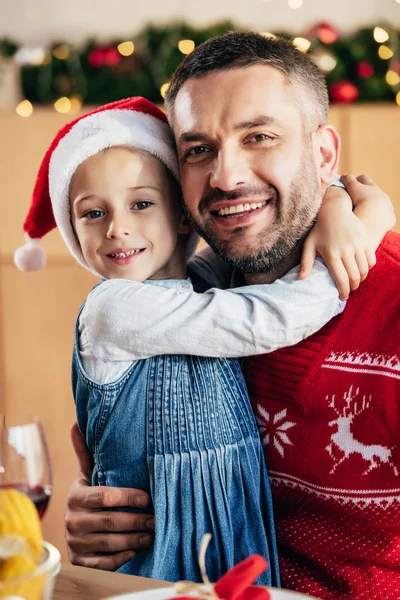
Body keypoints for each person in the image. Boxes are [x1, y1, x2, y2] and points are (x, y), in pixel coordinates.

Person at [65, 33, 397, 598]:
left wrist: (353, 207)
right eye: (198, 150)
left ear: (323, 155)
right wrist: (100, 512)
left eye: (260, 137)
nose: (225, 177)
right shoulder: (189, 300)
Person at [16, 96, 363, 584]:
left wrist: (337, 201)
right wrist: (355, 241)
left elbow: (274, 220)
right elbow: (268, 319)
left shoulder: (199, 280)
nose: (118, 227)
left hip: (233, 530)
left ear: (182, 216)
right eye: (92, 213)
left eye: (141, 203)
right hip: (157, 551)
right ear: (73, 231)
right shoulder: (113, 309)